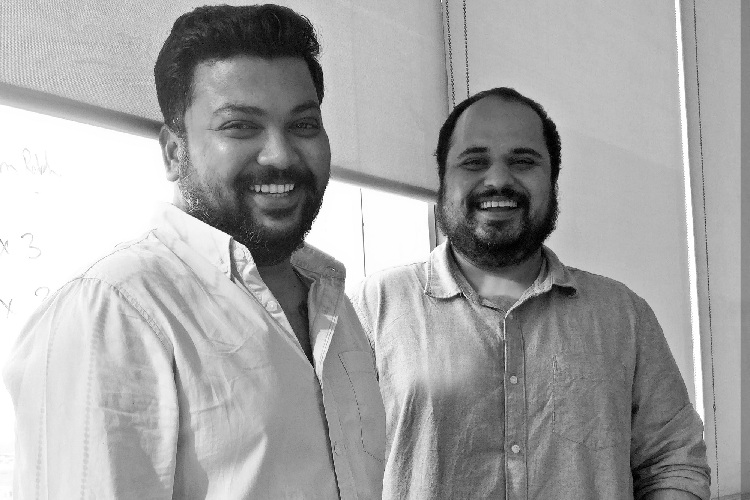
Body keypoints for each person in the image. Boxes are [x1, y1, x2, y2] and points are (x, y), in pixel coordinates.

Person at [4, 4, 385, 498]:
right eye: (239, 126)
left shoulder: (333, 304)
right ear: (173, 152)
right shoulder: (113, 313)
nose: (281, 154)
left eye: (304, 125)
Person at [351, 87, 710, 499]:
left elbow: (674, 462)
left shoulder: (623, 316)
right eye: (474, 162)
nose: (498, 180)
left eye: (523, 162)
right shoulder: (373, 308)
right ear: (443, 182)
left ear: (552, 181)